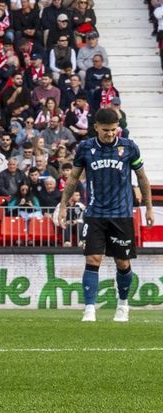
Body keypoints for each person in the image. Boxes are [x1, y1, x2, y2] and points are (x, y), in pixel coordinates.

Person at [55, 106, 155, 322]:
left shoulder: (129, 148)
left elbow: (142, 178)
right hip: (95, 213)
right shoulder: (85, 148)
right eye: (106, 130)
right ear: (96, 127)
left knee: (122, 262)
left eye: (113, 129)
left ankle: (123, 305)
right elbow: (73, 178)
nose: (110, 134)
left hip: (121, 214)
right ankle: (89, 309)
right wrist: (63, 205)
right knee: (93, 258)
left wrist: (148, 207)